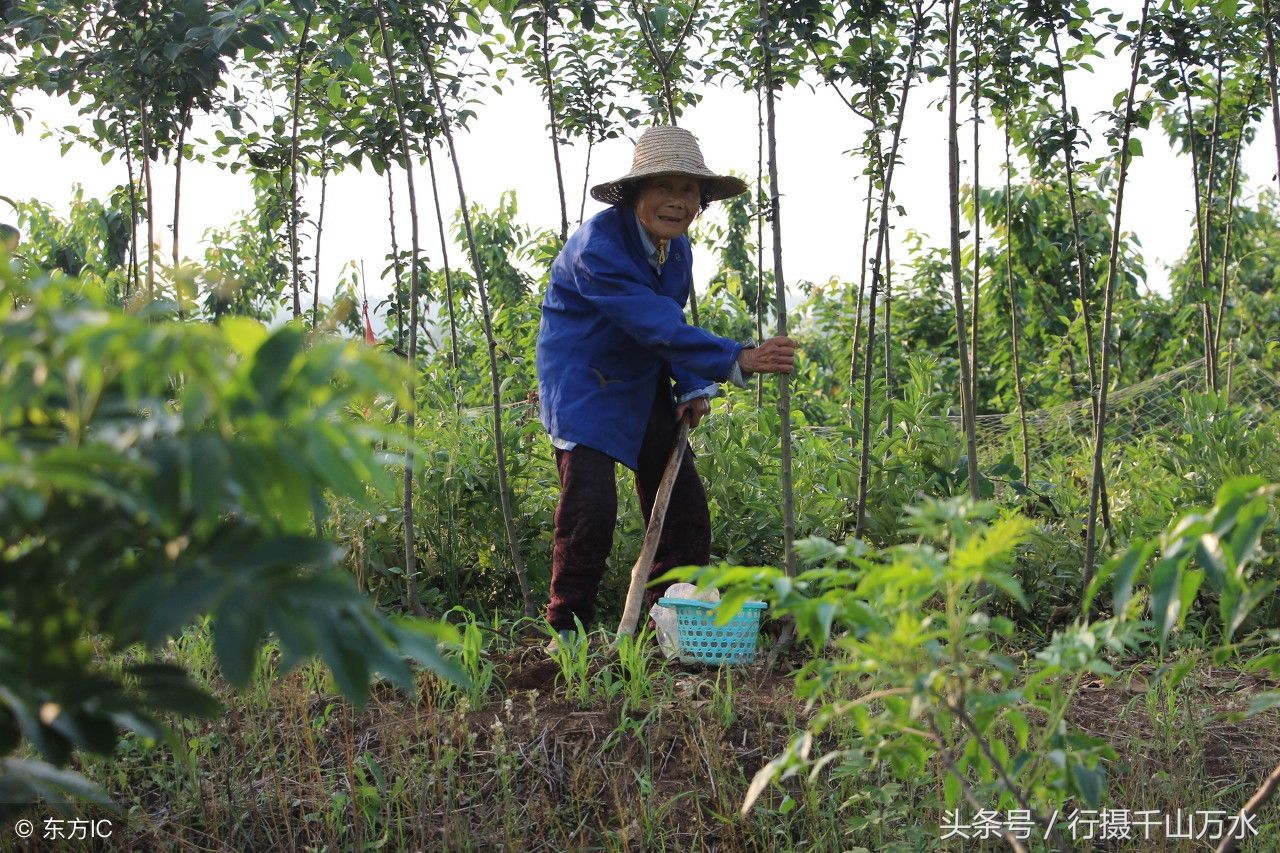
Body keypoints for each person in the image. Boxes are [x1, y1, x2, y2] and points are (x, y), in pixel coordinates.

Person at [536, 125, 796, 647]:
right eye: (665, 188)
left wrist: (692, 385)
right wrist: (736, 357)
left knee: (683, 509)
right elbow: (654, 322)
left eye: (690, 191)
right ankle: (567, 628)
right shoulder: (599, 247)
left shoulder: (675, 253)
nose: (678, 203)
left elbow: (669, 322)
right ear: (635, 193)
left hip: (640, 378)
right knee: (590, 510)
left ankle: (670, 619)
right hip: (583, 384)